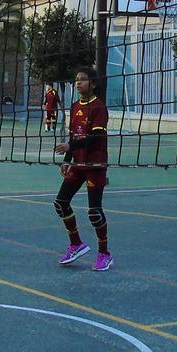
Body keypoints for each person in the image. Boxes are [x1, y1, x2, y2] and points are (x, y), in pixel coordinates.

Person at [52, 67, 113, 272]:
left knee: (94, 212)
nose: (78, 83)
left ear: (93, 84)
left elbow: (96, 137)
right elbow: (73, 137)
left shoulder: (99, 107)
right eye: (77, 79)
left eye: (83, 79)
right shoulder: (75, 105)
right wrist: (67, 159)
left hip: (95, 165)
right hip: (77, 164)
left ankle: (104, 254)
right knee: (61, 203)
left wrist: (70, 148)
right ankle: (76, 243)